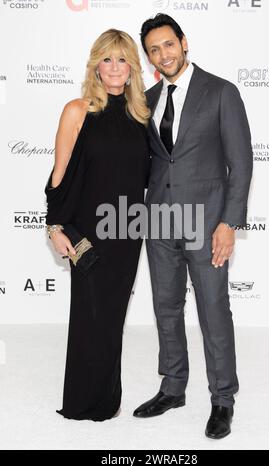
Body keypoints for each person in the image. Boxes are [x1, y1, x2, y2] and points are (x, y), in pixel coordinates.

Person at [133, 14, 253, 439]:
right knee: (166, 307)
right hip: (160, 220)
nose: (163, 54)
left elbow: (241, 165)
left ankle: (223, 399)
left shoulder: (221, 92)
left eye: (168, 44)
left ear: (184, 43)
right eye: (153, 49)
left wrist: (229, 224)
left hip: (207, 222)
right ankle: (173, 387)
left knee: (213, 310)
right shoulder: (145, 99)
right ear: (147, 57)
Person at [44, 29, 150, 421]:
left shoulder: (142, 115)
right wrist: (55, 227)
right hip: (88, 230)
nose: (115, 68)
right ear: (96, 65)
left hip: (128, 230)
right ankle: (83, 402)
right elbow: (59, 176)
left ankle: (107, 398)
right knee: (89, 314)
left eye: (122, 59)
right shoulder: (78, 110)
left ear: (132, 67)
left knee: (111, 317)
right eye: (107, 59)